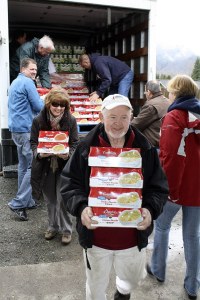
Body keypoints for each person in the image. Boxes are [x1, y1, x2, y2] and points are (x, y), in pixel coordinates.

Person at [60, 94, 168, 299]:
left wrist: (150, 209)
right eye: (112, 117)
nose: (118, 123)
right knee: (95, 287)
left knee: (132, 279)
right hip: (96, 238)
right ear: (102, 117)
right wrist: (81, 208)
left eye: (123, 117)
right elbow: (69, 184)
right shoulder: (85, 148)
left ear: (132, 117)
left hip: (132, 237)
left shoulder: (144, 149)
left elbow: (158, 187)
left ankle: (123, 291)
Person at [147, 75, 200, 300]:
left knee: (162, 225)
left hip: (176, 186)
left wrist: (168, 189)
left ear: (176, 93)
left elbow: (170, 157)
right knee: (192, 235)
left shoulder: (173, 117)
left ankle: (158, 269)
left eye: (170, 91)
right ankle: (192, 285)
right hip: (198, 186)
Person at [30, 87, 79, 244]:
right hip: (45, 166)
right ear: (48, 104)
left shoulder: (70, 120)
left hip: (64, 166)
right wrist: (38, 153)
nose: (59, 108)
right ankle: (52, 226)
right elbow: (32, 143)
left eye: (62, 105)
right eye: (55, 105)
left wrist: (68, 154)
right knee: (50, 198)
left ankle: (66, 230)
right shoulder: (38, 120)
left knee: (63, 198)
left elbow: (75, 143)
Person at [8, 58, 44, 221]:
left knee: (23, 166)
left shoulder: (14, 82)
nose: (34, 72)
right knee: (33, 167)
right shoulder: (28, 83)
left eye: (36, 70)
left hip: (15, 129)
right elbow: (37, 106)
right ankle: (18, 203)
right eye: (31, 69)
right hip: (26, 129)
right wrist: (48, 102)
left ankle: (27, 201)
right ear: (23, 69)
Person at [131, 80, 170, 147]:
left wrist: (129, 118)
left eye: (145, 92)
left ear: (149, 92)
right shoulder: (168, 102)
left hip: (152, 147)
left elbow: (135, 125)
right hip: (164, 143)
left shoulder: (150, 106)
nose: (145, 94)